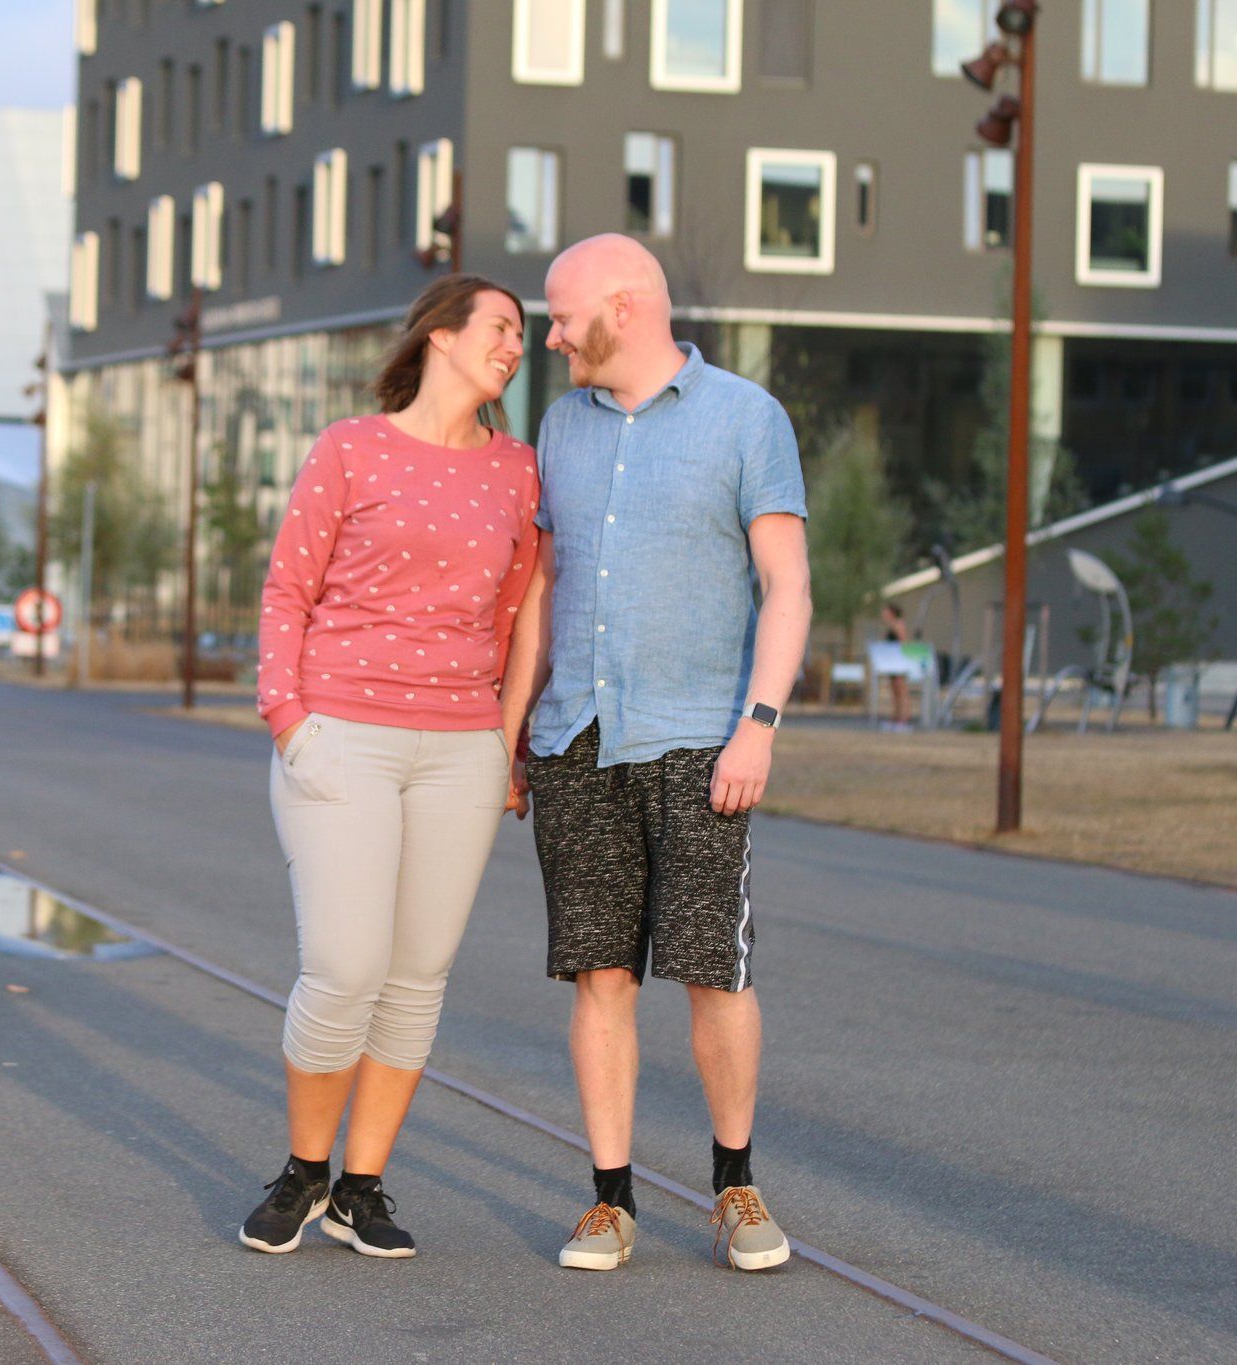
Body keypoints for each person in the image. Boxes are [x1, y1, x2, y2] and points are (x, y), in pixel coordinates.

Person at [503, 235, 812, 1274]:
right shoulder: (559, 426)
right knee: (599, 977)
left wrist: (757, 725)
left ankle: (733, 1184)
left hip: (699, 740)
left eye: (561, 316)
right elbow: (542, 592)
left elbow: (788, 587)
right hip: (575, 742)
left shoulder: (743, 419)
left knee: (711, 973)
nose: (549, 337)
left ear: (626, 308)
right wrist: (514, 736)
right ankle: (609, 1201)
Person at [240, 275, 540, 1260]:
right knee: (344, 966)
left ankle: (360, 1186)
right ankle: (302, 1169)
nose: (514, 345)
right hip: (341, 733)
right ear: (441, 336)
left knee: (415, 978)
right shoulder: (350, 448)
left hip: (458, 748)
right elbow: (288, 588)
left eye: (522, 335)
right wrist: (288, 719)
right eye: (500, 327)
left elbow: (513, 616)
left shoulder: (517, 472)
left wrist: (506, 741)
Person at [881, 603, 913, 730]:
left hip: (899, 663)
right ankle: (895, 717)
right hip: (892, 663)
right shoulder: (891, 626)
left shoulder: (899, 625)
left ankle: (904, 718)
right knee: (895, 691)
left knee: (901, 691)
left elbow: (903, 643)